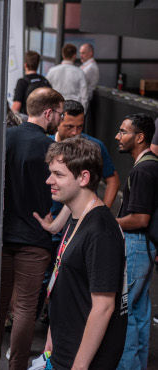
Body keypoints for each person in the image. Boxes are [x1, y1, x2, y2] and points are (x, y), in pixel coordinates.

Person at [44, 137, 127, 369]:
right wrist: (52, 333)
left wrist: (79, 366)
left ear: (84, 177)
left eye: (58, 174)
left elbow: (103, 307)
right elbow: (65, 279)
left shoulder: (101, 231)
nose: (49, 180)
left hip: (82, 360)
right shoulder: (77, 216)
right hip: (63, 350)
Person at [0, 87, 64, 369]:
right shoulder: (52, 148)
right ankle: (16, 366)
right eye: (60, 114)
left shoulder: (4, 137)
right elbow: (69, 191)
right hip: (36, 238)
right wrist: (54, 224)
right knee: (25, 308)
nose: (61, 120)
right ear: (48, 112)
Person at [115, 113, 158, 370]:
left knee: (126, 314)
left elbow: (141, 218)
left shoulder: (143, 170)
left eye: (123, 132)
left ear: (139, 137)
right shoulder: (152, 165)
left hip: (136, 245)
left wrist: (109, 222)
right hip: (146, 247)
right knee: (140, 312)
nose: (118, 137)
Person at [49, 100, 120, 208]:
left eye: (79, 127)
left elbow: (113, 181)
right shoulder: (45, 144)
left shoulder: (95, 146)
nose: (75, 132)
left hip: (85, 216)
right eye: (69, 127)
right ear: (58, 121)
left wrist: (103, 212)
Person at [46, 44, 89, 111]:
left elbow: (46, 91)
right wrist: (83, 112)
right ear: (74, 56)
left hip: (55, 108)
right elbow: (84, 96)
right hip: (74, 110)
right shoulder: (80, 73)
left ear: (63, 55)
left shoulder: (52, 71)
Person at [11, 51, 51, 115]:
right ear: (38, 65)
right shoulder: (44, 81)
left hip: (27, 119)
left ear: (25, 65)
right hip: (42, 119)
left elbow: (16, 106)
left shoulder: (22, 82)